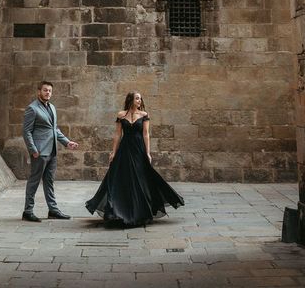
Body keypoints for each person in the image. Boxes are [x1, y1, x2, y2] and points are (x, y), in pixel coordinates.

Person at [85, 90, 184, 227]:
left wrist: (148, 153)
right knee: (122, 178)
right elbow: (118, 135)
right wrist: (113, 152)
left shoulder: (144, 115)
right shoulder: (121, 114)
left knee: (140, 178)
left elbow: (146, 135)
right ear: (131, 99)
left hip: (138, 150)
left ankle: (141, 211)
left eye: (140, 99)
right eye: (137, 98)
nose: (140, 101)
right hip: (124, 150)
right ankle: (119, 211)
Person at [22, 80, 78, 222]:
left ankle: (53, 210)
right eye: (45, 90)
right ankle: (28, 211)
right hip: (39, 152)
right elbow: (26, 131)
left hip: (52, 151)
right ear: (39, 91)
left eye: (50, 91)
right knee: (34, 181)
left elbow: (54, 130)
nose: (48, 93)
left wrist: (67, 142)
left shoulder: (52, 107)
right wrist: (33, 150)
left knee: (49, 181)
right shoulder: (32, 109)